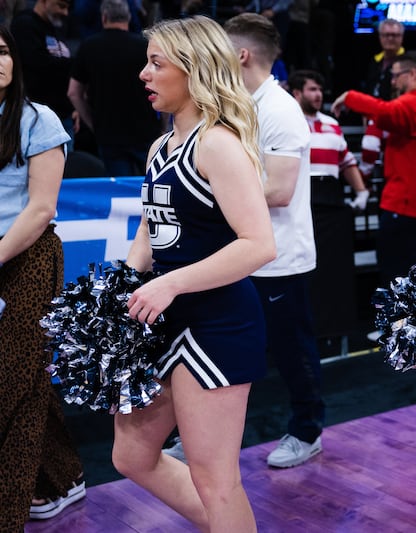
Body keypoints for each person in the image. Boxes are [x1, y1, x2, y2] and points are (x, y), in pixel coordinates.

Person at [111, 16, 276, 533]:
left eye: (156, 63)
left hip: (217, 325)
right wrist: (123, 282)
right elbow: (150, 227)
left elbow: (259, 245)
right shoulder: (162, 146)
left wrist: (172, 281)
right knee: (131, 456)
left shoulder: (219, 144)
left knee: (216, 479)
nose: (144, 73)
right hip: (164, 316)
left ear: (195, 69)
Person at [224, 13, 325, 468]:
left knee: (291, 353)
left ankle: (307, 431)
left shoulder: (280, 108)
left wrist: (211, 194)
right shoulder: (235, 103)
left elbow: (280, 191)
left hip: (280, 257)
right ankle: (207, 436)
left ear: (241, 54)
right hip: (238, 255)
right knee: (224, 350)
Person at [0, 26, 84, 529]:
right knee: (28, 377)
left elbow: (41, 209)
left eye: (5, 50)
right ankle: (63, 478)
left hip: (29, 260)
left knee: (11, 379)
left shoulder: (38, 119)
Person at [332, 50, 416, 287]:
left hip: (410, 207)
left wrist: (350, 96)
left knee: (397, 281)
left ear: (411, 74)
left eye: (395, 76)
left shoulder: (415, 101)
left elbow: (385, 111)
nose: (392, 82)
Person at [288, 68, 369, 340]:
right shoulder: (285, 121)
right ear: (297, 93)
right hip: (301, 196)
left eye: (320, 89)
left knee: (333, 269)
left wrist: (361, 191)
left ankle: (334, 329)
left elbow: (346, 160)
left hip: (331, 197)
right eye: (312, 89)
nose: (318, 94)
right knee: (305, 268)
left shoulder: (332, 123)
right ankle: (303, 330)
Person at [67, 0, 162, 176]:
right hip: (146, 132)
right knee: (153, 187)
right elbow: (164, 87)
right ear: (129, 16)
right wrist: (164, 126)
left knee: (119, 194)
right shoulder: (146, 46)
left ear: (103, 18)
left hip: (109, 135)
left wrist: (92, 123)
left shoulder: (89, 46)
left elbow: (73, 93)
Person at [10, 0, 75, 145]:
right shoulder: (25, 25)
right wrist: (71, 64)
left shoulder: (56, 28)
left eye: (67, 8)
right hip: (36, 116)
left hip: (62, 115)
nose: (65, 13)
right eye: (61, 6)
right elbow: (37, 64)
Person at [362, 18, 405, 101]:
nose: (390, 38)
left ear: (401, 37)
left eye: (394, 35)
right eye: (386, 35)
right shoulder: (374, 61)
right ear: (380, 36)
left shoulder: (408, 62)